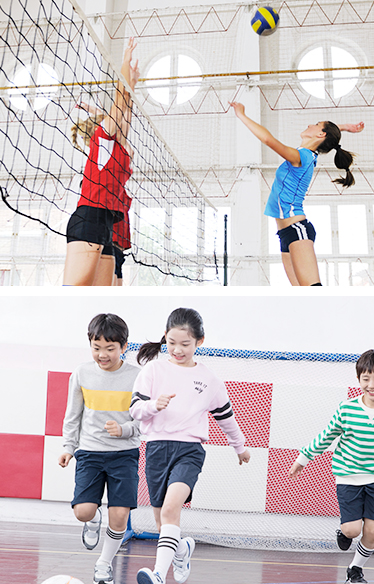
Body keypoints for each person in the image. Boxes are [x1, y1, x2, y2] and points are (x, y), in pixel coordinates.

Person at [129, 308, 251, 584]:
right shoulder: (153, 370)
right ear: (165, 337)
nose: (177, 349)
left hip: (189, 451)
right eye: (171, 343)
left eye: (185, 344)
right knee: (162, 523)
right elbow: (135, 410)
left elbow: (225, 417)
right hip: (157, 450)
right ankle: (181, 549)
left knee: (172, 508)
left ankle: (159, 574)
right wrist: (153, 405)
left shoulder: (209, 380)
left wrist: (239, 446)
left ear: (200, 341)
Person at [289, 350, 374, 584]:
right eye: (366, 379)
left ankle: (355, 570)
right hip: (349, 478)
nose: (372, 384)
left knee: (373, 533)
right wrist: (303, 458)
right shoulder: (347, 409)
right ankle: (343, 530)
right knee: (352, 531)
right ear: (359, 380)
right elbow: (326, 436)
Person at [229, 101, 364, 286]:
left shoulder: (303, 157)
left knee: (312, 291)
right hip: (285, 233)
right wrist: (345, 127)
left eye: (316, 124)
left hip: (296, 229)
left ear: (320, 134)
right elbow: (328, 134)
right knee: (300, 295)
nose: (310, 124)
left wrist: (241, 115)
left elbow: (269, 141)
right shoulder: (306, 153)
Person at [59, 313, 141, 584]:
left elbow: (144, 421)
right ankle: (93, 520)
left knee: (119, 517)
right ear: (90, 345)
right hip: (90, 453)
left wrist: (124, 430)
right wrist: (68, 447)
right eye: (97, 348)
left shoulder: (137, 377)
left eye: (110, 348)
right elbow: (73, 415)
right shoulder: (82, 373)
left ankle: (103, 564)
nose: (102, 355)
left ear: (124, 347)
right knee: (83, 511)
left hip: (124, 455)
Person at [63, 38, 139, 286]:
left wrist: (133, 87)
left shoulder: (120, 148)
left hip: (105, 226)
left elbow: (125, 109)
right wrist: (125, 61)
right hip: (88, 219)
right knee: (75, 292)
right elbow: (119, 102)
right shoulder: (102, 141)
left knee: (105, 297)